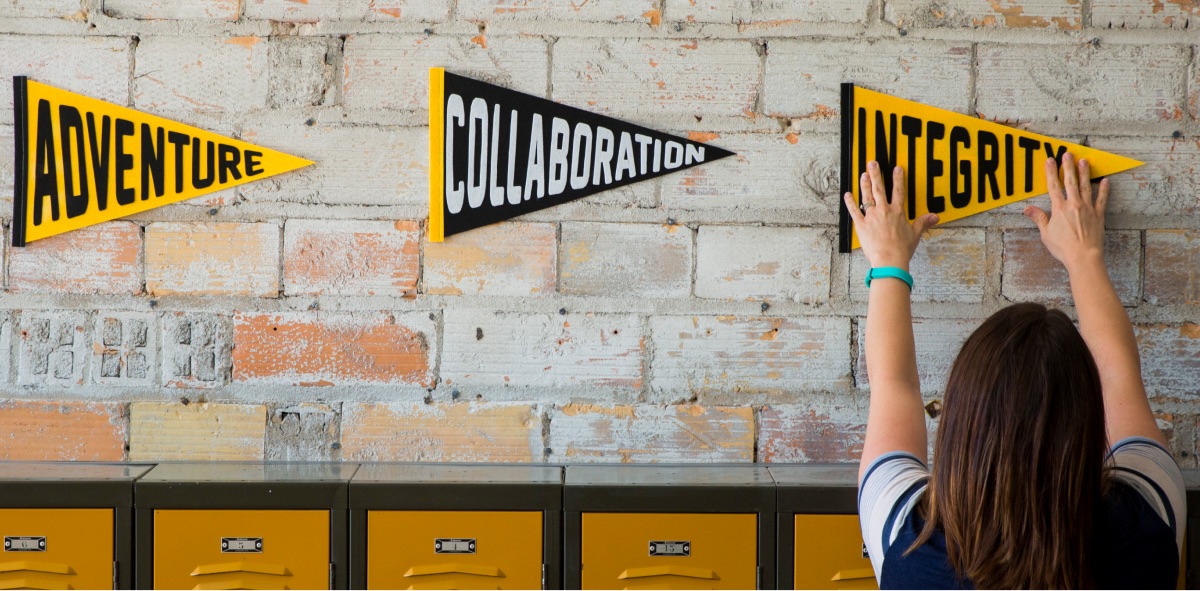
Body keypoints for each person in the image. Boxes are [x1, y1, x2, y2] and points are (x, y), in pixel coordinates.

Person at [849, 154, 1186, 588]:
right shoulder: (1147, 517)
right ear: (1087, 419)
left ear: (960, 418)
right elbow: (1119, 376)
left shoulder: (908, 538)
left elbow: (893, 386)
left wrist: (889, 260)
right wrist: (1084, 256)